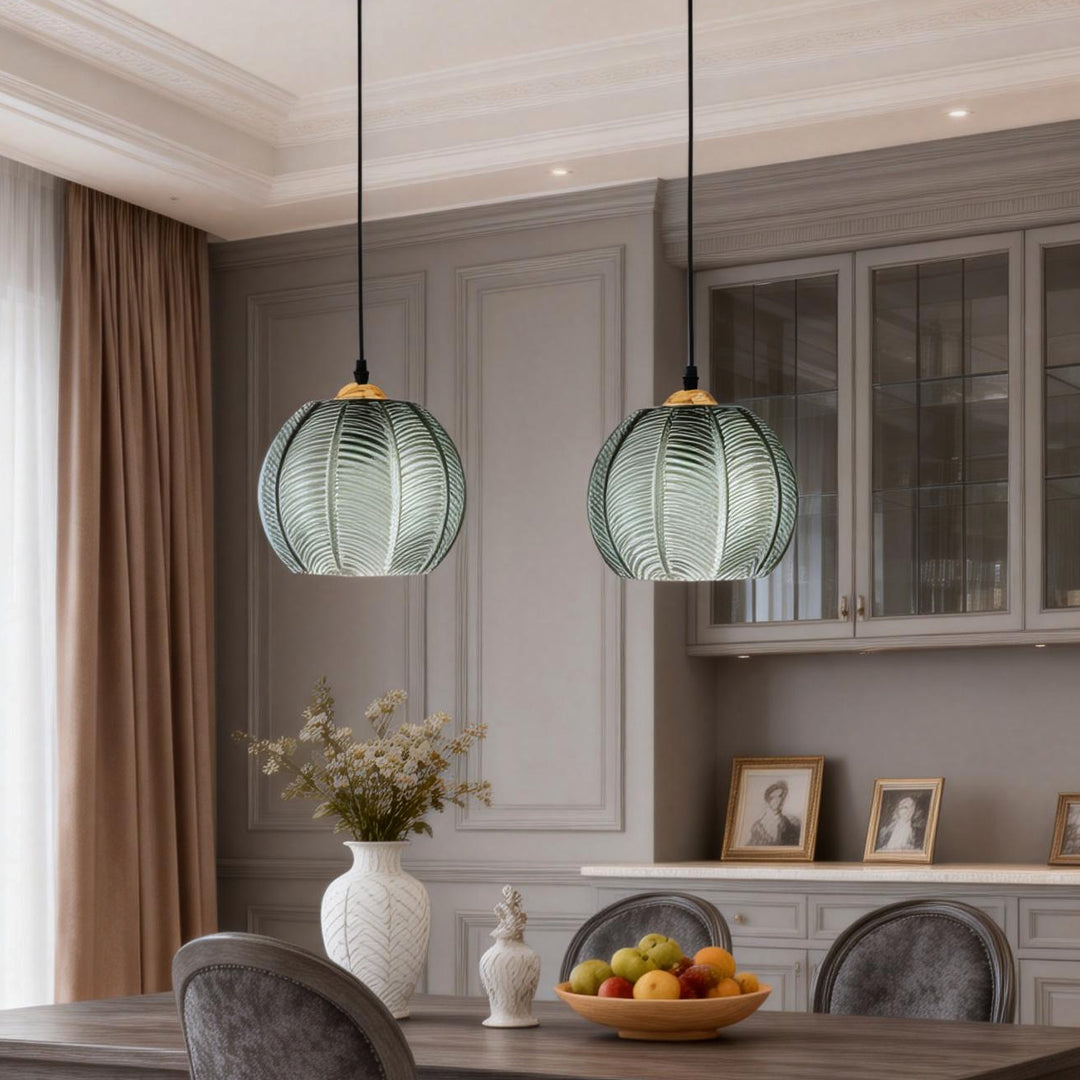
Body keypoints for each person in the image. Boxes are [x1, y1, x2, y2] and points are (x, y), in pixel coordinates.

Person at [747, 779, 801, 846]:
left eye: (780, 796)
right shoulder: (757, 827)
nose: (778, 800)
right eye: (774, 797)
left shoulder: (787, 822)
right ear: (768, 800)